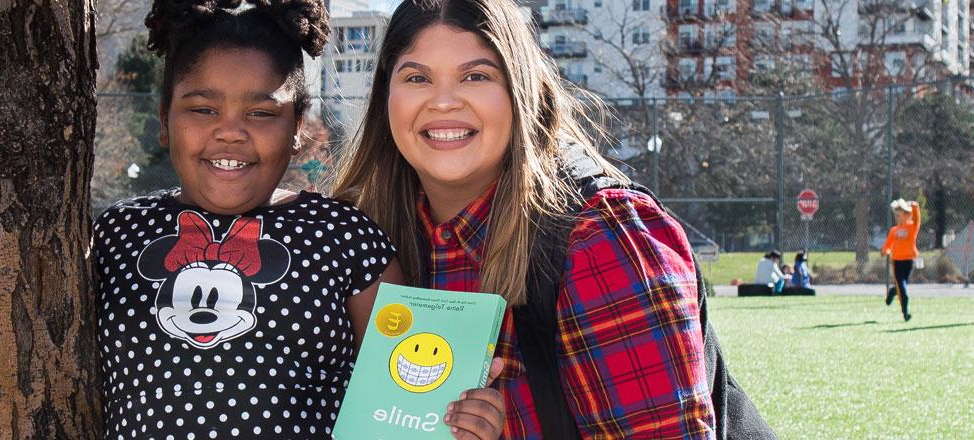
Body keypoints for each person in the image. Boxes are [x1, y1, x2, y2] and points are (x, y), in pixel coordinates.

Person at [92, 2, 503, 438]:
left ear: (297, 129)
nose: (230, 131)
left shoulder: (345, 238)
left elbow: (406, 407)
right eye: (203, 109)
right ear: (163, 121)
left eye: (262, 113)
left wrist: (459, 424)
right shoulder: (115, 235)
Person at [328, 0, 716, 436]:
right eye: (417, 78)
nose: (443, 102)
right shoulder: (360, 239)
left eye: (476, 76)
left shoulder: (600, 235)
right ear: (385, 97)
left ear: (521, 90)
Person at [881, 199, 921, 321]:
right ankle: (905, 312)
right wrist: (886, 250)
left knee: (901, 284)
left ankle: (893, 291)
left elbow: (917, 219)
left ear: (907, 215)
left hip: (908, 260)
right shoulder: (894, 230)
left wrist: (915, 207)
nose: (898, 218)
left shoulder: (912, 227)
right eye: (896, 215)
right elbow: (888, 244)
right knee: (902, 286)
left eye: (900, 215)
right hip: (897, 261)